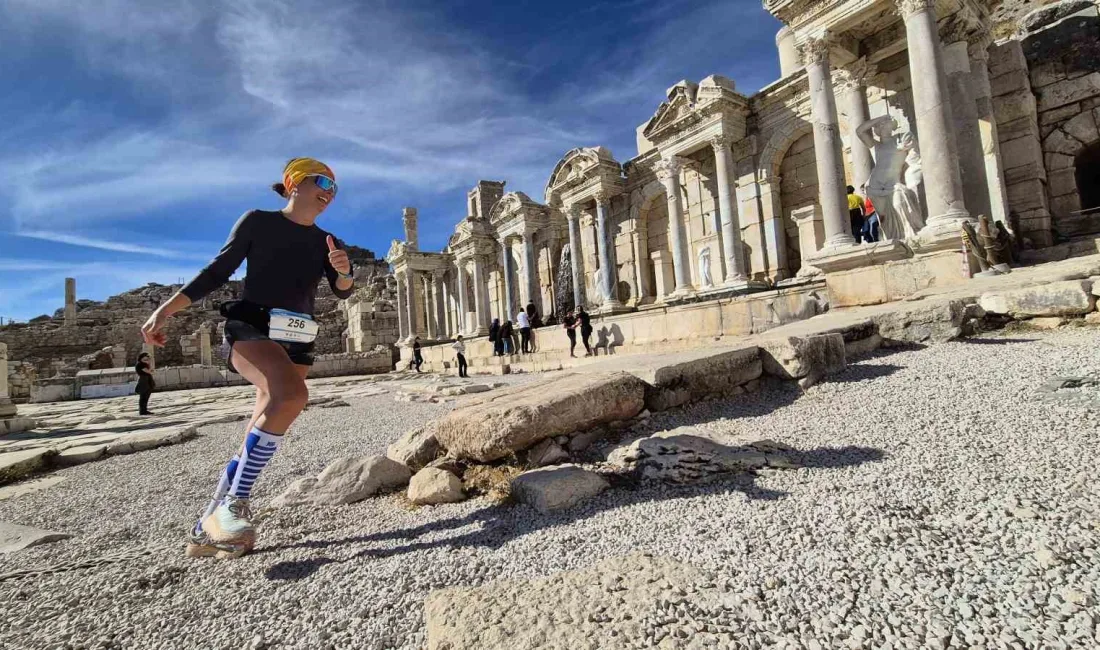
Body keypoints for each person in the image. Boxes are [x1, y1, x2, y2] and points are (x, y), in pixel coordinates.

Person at [141, 157, 353, 560]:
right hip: (253, 326)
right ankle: (235, 503)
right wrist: (166, 309)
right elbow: (219, 270)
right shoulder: (258, 221)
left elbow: (342, 291)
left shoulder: (330, 242)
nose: (329, 190)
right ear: (294, 184)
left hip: (298, 338)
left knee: (260, 425)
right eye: (321, 180)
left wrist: (343, 273)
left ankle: (205, 529)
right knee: (291, 397)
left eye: (334, 186)